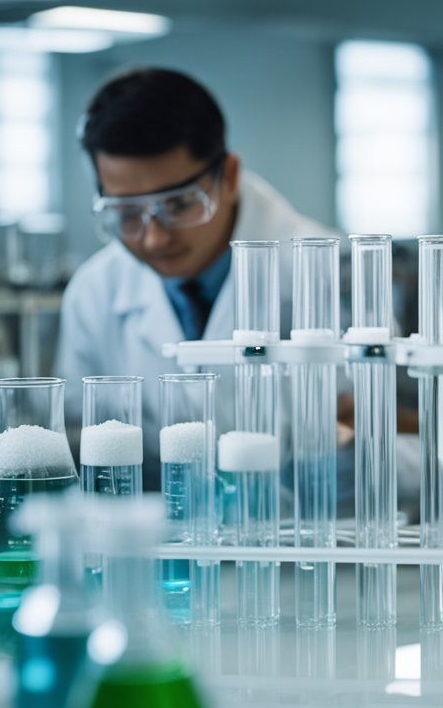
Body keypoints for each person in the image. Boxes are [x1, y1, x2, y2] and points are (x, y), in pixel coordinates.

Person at [55, 67, 335, 487]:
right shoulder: (95, 291)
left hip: (317, 545)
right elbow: (75, 440)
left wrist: (341, 459)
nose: (153, 238)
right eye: (127, 214)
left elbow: (425, 434)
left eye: (180, 205)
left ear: (230, 176)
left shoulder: (330, 271)